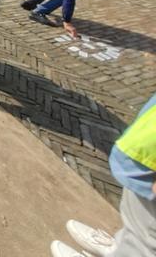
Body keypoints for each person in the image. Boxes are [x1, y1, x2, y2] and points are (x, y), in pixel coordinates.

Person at [50, 93, 156, 257]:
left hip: (149, 171)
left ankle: (128, 251)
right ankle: (120, 247)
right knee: (135, 224)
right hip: (146, 156)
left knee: (146, 242)